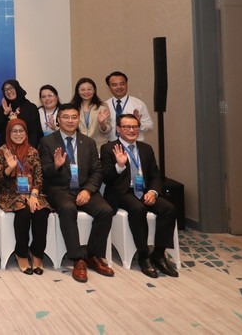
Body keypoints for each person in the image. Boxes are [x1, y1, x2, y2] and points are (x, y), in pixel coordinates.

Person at [39, 103, 114, 283]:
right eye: (66, 117)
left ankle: (93, 255)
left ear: (78, 119)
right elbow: (43, 172)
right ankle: (77, 258)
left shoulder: (88, 142)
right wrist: (56, 166)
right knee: (67, 208)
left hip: (83, 188)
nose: (70, 120)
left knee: (105, 210)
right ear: (58, 119)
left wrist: (88, 190)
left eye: (74, 117)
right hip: (59, 189)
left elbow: (97, 171)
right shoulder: (47, 142)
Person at [101, 114, 178, 278]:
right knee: (138, 209)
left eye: (134, 127)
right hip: (121, 191)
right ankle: (143, 255)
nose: (131, 130)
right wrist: (119, 165)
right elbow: (106, 178)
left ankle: (158, 253)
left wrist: (153, 191)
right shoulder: (108, 148)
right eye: (127, 127)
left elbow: (155, 175)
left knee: (169, 209)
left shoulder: (146, 148)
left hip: (144, 191)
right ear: (118, 129)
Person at [0, 118, 50, 275]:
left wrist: (33, 195)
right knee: (24, 211)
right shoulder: (2, 151)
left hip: (33, 193)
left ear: (26, 133)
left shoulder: (33, 151)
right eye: (14, 131)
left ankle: (37, 254)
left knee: (41, 211)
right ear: (8, 133)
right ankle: (21, 253)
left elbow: (39, 178)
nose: (18, 134)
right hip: (10, 194)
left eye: (21, 131)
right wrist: (9, 169)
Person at [104, 71, 154, 141]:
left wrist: (139, 124)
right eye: (114, 85)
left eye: (122, 84)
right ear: (109, 87)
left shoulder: (138, 104)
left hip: (134, 145)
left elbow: (150, 125)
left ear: (127, 84)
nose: (119, 87)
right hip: (111, 145)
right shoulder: (104, 105)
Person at [0, 79, 41, 148]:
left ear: (17, 89)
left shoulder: (30, 107)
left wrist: (30, 149)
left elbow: (35, 131)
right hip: (6, 149)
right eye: (5, 89)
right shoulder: (2, 108)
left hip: (26, 148)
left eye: (11, 88)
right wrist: (5, 114)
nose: (9, 91)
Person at [71, 77, 111, 149]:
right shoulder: (72, 107)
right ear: (78, 91)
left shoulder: (102, 106)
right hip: (78, 146)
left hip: (98, 146)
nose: (86, 92)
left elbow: (107, 130)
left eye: (89, 89)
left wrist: (102, 123)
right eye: (82, 90)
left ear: (94, 90)